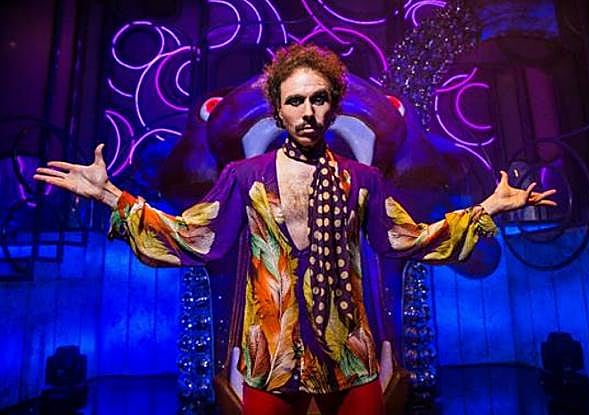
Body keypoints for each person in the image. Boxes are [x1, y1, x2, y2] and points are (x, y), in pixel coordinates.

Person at [34, 44, 557, 415]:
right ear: (278, 110)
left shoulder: (362, 180)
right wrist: (110, 195)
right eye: (295, 101)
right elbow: (194, 237)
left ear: (333, 105)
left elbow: (408, 238)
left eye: (318, 99)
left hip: (350, 358)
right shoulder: (244, 178)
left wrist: (487, 209)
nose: (308, 112)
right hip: (271, 359)